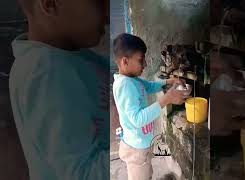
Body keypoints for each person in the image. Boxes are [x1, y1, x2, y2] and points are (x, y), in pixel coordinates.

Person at [9, 0, 109, 179]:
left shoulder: (72, 56)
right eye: (99, 2)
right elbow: (84, 174)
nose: (108, 13)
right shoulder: (43, 72)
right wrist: (131, 149)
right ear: (50, 4)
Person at [112, 33, 188, 180]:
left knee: (147, 174)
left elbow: (150, 86)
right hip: (136, 151)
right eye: (141, 60)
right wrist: (166, 100)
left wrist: (168, 81)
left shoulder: (133, 80)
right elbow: (137, 120)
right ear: (125, 62)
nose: (145, 64)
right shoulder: (125, 85)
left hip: (141, 145)